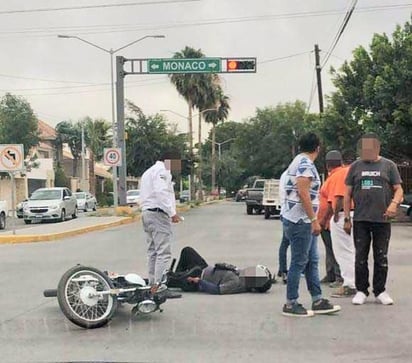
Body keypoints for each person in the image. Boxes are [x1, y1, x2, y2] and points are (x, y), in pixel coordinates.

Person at [281, 132, 341, 317]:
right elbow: (303, 192)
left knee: (311, 261)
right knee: (299, 262)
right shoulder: (305, 164)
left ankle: (317, 299)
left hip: (302, 219)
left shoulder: (299, 161)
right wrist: (314, 220)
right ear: (318, 148)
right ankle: (291, 303)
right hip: (301, 221)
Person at [344, 133, 403, 305]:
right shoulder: (355, 166)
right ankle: (361, 290)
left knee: (381, 256)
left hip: (382, 220)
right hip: (361, 219)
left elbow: (398, 189)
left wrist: (393, 204)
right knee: (360, 256)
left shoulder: (389, 166)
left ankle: (380, 290)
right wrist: (347, 218)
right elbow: (347, 195)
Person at [140, 151, 183, 292]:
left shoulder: (148, 172)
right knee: (163, 252)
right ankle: (158, 285)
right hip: (158, 214)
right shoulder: (162, 171)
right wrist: (172, 213)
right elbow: (162, 193)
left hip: (147, 213)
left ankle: (152, 283)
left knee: (153, 251)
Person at [322, 150, 356, 298]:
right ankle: (349, 280)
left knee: (343, 251)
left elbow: (339, 198)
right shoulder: (347, 171)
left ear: (327, 165)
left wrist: (330, 216)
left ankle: (348, 283)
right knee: (347, 249)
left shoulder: (337, 176)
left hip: (342, 216)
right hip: (352, 214)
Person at [167, 246, 273, 294]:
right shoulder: (241, 274)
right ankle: (178, 275)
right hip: (204, 267)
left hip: (199, 277)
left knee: (169, 280)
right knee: (187, 251)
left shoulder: (236, 283)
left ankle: (175, 278)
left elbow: (217, 290)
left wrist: (198, 281)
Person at [318, 151, 343, 287]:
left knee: (336, 249)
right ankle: (331, 274)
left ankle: (339, 277)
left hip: (330, 219)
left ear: (327, 165)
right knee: (329, 248)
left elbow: (333, 202)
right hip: (327, 219)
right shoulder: (333, 176)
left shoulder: (337, 176)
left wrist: (324, 219)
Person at [277, 169, 290, 284]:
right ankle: (284, 270)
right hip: (291, 214)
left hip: (285, 212)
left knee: (285, 243)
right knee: (287, 243)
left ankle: (282, 268)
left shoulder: (284, 175)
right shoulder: (290, 175)